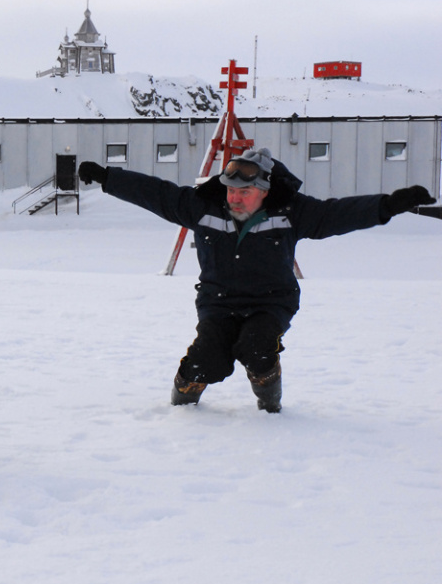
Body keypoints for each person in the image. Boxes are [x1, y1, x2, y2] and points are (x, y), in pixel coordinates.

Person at [78, 148, 433, 413]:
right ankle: (181, 411)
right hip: (218, 302)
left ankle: (270, 407)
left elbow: (335, 214)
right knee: (207, 357)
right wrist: (109, 178)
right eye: (231, 191)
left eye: (243, 193)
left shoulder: (291, 211)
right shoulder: (203, 207)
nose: (234, 198)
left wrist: (388, 205)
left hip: (270, 301)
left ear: (264, 189)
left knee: (257, 346)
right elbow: (157, 193)